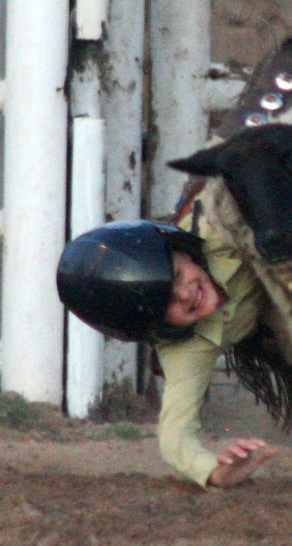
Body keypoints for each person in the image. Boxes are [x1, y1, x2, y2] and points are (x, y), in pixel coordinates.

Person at [57, 207, 279, 489]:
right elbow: (175, 438)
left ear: (183, 250)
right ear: (157, 328)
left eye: (175, 276)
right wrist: (216, 472)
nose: (186, 294)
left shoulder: (218, 225)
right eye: (167, 304)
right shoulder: (185, 349)